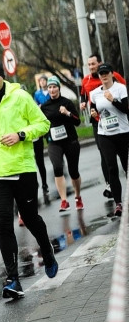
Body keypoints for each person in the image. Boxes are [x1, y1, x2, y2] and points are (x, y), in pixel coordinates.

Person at [0, 59, 58, 299]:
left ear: (2, 77)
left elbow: (43, 123)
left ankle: (48, 252)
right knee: (3, 224)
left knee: (30, 218)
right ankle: (13, 280)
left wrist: (21, 135)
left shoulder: (20, 97)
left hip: (22, 169)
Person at [80, 54, 126, 200]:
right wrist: (88, 109)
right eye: (89, 65)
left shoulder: (118, 83)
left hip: (122, 127)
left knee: (125, 163)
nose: (92, 67)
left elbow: (126, 103)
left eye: (94, 64)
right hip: (101, 127)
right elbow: (88, 100)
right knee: (108, 160)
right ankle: (113, 192)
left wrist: (113, 100)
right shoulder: (89, 86)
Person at [89, 63, 129, 217]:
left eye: (106, 73)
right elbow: (93, 110)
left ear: (112, 74)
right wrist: (93, 113)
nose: (103, 76)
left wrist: (113, 100)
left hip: (123, 132)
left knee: (127, 168)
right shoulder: (94, 93)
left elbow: (126, 109)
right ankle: (118, 203)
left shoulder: (120, 89)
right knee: (111, 168)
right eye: (101, 74)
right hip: (105, 134)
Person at [40, 76, 83, 212]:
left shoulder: (67, 102)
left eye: (54, 87)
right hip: (54, 143)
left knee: (73, 171)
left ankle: (77, 196)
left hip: (70, 141)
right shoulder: (44, 107)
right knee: (57, 168)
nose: (52, 90)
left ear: (59, 88)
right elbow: (40, 124)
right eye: (49, 87)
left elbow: (77, 121)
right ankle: (64, 201)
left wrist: (67, 113)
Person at [33, 75, 52, 205]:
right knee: (31, 165)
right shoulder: (37, 94)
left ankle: (44, 184)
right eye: (41, 81)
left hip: (45, 126)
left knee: (40, 161)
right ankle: (35, 184)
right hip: (29, 140)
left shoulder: (49, 93)